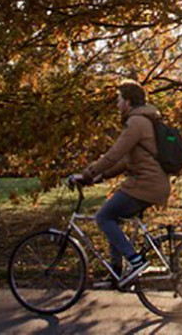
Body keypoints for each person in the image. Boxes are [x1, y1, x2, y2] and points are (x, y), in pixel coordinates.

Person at [71, 80, 170, 286]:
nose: (117, 104)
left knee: (104, 217)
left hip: (146, 184)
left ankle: (135, 261)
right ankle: (116, 274)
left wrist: (87, 174)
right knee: (112, 219)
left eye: (119, 99)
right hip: (152, 183)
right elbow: (125, 162)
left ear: (128, 101)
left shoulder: (137, 122)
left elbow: (115, 154)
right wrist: (100, 177)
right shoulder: (143, 121)